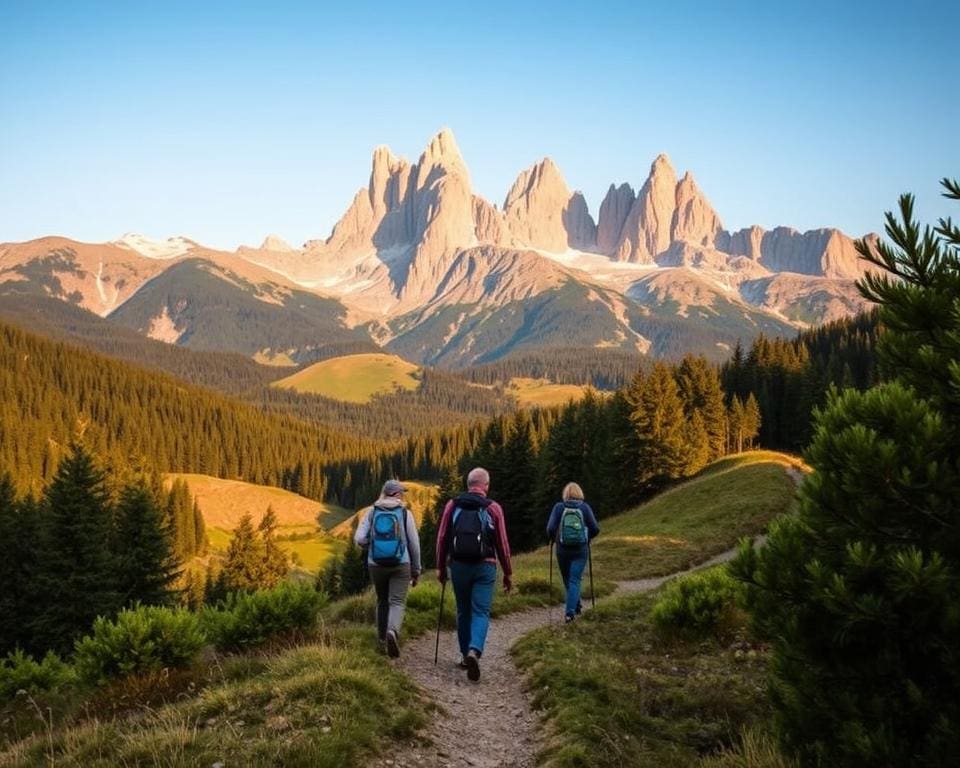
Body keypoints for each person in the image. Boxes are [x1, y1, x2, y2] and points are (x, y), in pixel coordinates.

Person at [435, 467, 512, 682]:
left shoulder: (453, 505)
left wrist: (440, 567)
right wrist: (508, 572)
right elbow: (502, 544)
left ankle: (463, 655)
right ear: (485, 486)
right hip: (485, 565)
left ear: (468, 484)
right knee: (481, 611)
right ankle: (474, 650)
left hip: (458, 565)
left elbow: (442, 538)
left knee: (463, 610)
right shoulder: (494, 508)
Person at [354, 479, 421, 658]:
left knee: (382, 600)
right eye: (402, 492)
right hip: (401, 563)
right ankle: (393, 632)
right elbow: (414, 544)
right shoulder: (405, 514)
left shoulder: (372, 512)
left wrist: (374, 546)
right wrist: (416, 569)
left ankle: (382, 639)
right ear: (397, 494)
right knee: (397, 601)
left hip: (376, 564)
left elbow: (359, 538)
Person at [546, 482, 600, 623]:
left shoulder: (558, 507)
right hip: (580, 550)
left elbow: (550, 528)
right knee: (574, 580)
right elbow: (595, 528)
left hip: (562, 550)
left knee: (567, 580)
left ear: (565, 494)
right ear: (579, 493)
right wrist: (587, 539)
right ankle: (573, 610)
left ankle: (572, 611)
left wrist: (554, 539)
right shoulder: (585, 507)